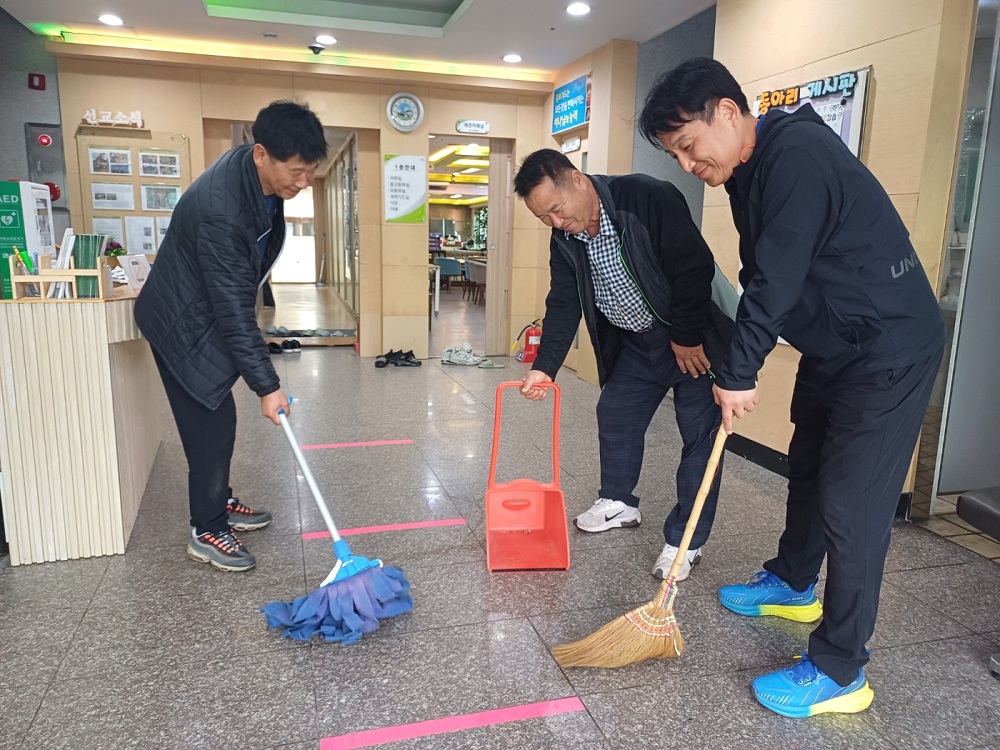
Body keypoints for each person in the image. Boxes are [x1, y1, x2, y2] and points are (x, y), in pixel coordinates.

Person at [638, 58, 946, 718]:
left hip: (887, 348)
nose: (689, 165)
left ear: (727, 112)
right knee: (807, 465)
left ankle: (840, 670)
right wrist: (740, 359)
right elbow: (765, 274)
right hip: (836, 343)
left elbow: (775, 279)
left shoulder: (797, 155)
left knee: (852, 503)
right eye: (676, 156)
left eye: (689, 146)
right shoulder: (749, 169)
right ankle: (793, 581)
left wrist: (737, 373)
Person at [513, 149, 733, 581]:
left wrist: (687, 338)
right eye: (544, 218)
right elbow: (564, 301)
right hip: (636, 342)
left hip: (690, 339)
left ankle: (685, 541)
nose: (556, 222)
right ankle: (619, 503)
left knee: (699, 439)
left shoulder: (647, 197)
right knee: (615, 413)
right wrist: (545, 365)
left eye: (557, 209)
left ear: (577, 180)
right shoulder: (565, 238)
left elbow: (693, 268)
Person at [135, 100, 328, 572]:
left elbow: (236, 297)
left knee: (218, 417)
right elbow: (233, 310)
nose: (303, 183)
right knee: (211, 426)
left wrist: (261, 380)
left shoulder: (255, 177)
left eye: (310, 172)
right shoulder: (222, 211)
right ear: (261, 154)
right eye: (296, 172)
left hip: (203, 310)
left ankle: (218, 499)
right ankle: (207, 528)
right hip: (180, 323)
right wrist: (268, 387)